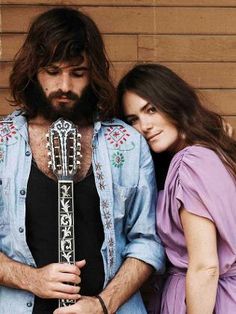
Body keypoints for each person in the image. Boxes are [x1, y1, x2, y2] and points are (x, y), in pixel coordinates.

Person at [0, 8, 165, 314]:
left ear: (93, 74)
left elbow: (147, 241)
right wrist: (31, 279)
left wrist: (103, 304)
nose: (64, 85)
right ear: (33, 71)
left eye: (77, 73)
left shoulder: (127, 144)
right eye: (52, 71)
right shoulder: (3, 144)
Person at [117, 63, 236, 313]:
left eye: (151, 109)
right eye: (133, 119)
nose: (144, 125)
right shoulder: (214, 154)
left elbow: (205, 266)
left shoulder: (189, 162)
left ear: (173, 101)